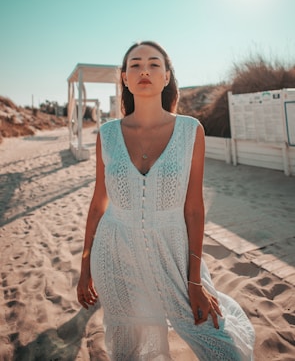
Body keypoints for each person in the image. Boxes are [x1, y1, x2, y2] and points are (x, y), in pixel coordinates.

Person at [77, 41, 255, 360]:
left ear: (166, 76)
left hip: (175, 253)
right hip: (116, 255)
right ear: (125, 79)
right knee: (131, 348)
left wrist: (195, 280)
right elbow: (98, 204)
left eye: (154, 63)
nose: (144, 69)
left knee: (222, 346)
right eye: (135, 64)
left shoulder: (190, 131)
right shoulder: (107, 133)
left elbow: (194, 209)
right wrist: (84, 267)